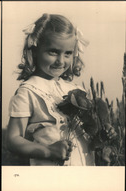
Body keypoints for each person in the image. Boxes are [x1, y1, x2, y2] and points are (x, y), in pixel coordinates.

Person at [6, 13, 103, 166]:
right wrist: (48, 151)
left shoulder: (76, 90)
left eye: (68, 54)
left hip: (83, 167)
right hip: (50, 172)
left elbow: (87, 133)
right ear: (35, 50)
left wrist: (102, 139)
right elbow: (13, 139)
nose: (61, 61)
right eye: (53, 52)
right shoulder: (29, 91)